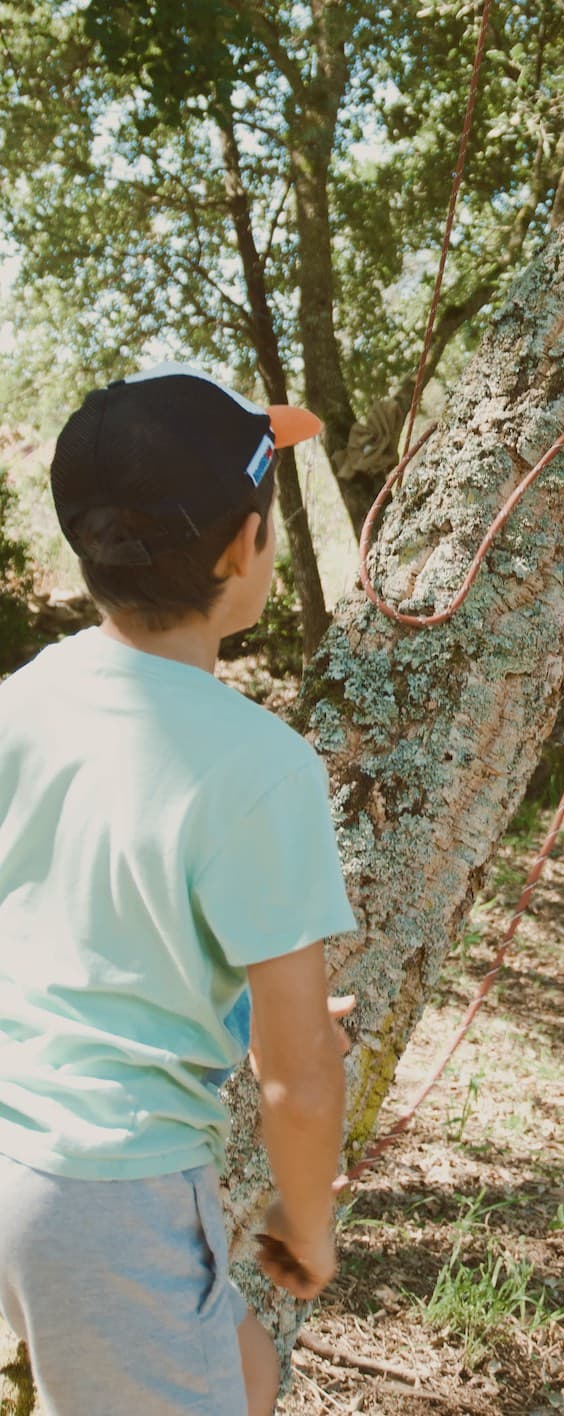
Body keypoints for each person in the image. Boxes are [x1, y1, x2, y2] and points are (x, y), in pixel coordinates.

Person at [0, 364, 358, 1415]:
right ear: (244, 550)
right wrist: (306, 1223)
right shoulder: (262, 765)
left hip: (14, 1143)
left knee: (244, 1373)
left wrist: (238, 1003)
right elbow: (300, 1073)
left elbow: (73, 896)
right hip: (110, 1189)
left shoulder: (23, 701)